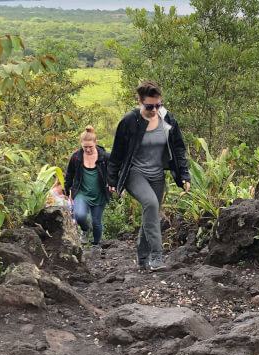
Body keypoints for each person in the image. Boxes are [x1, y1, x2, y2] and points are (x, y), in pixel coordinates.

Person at [108, 81, 191, 271]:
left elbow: (178, 148)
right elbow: (117, 152)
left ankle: (142, 258)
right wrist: (112, 178)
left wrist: (184, 174)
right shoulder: (129, 121)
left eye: (158, 105)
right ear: (139, 102)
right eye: (149, 106)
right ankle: (157, 256)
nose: (154, 110)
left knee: (151, 213)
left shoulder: (167, 118)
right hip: (134, 173)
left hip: (157, 175)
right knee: (151, 204)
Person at [64, 125, 111, 247]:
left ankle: (96, 244)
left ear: (95, 143)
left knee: (96, 221)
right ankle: (85, 230)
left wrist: (115, 184)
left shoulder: (104, 157)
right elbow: (69, 174)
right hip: (81, 192)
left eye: (90, 147)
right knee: (79, 215)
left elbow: (114, 171)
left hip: (99, 193)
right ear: (81, 144)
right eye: (85, 147)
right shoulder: (76, 157)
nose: (88, 149)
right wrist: (66, 189)